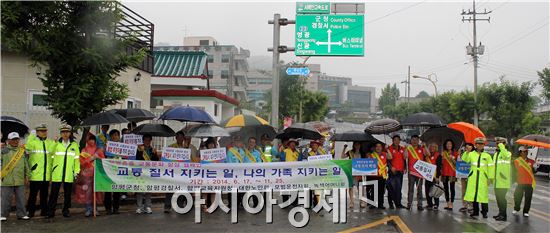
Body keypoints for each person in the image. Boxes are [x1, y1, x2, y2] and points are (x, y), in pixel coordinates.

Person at [48, 124, 80, 218]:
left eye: (67, 132)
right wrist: (54, 142)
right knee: (54, 194)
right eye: (63, 132)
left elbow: (76, 160)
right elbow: (50, 153)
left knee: (67, 194)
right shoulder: (56, 144)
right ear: (61, 133)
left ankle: (66, 210)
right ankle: (51, 211)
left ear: (70, 133)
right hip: (57, 173)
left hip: (68, 173)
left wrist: (76, 171)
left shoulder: (74, 145)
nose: (65, 134)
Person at [25, 123, 56, 218]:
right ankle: (30, 211)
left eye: (45, 131)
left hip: (46, 174)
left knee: (44, 194)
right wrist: (31, 136)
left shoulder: (50, 142)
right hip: (35, 174)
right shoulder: (33, 142)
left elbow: (53, 152)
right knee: (33, 195)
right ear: (37, 132)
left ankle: (44, 211)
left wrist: (55, 142)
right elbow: (28, 148)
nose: (44, 133)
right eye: (41, 131)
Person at [1, 132, 30, 221]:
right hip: (6, 179)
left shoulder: (22, 151)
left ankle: (22, 214)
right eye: (13, 139)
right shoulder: (3, 151)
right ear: (9, 140)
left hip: (20, 178)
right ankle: (3, 215)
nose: (15, 141)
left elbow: (26, 165)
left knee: (21, 198)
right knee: (5, 199)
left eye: (17, 139)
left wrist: (28, 176)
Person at [463, 137, 494, 219]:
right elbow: (465, 159)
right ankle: (475, 212)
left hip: (483, 178)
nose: (480, 145)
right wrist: (467, 152)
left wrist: (490, 178)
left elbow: (491, 167)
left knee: (483, 195)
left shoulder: (487, 156)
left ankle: (484, 212)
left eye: (482, 144)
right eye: (478, 144)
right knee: (474, 195)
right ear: (475, 145)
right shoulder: (471, 154)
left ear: (484, 145)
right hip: (473, 177)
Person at [75, 134, 105, 217]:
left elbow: (103, 161)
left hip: (97, 174)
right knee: (87, 192)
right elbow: (81, 162)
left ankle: (95, 208)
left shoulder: (99, 150)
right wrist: (91, 159)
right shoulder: (84, 150)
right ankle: (88, 209)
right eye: (90, 139)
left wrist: (98, 158)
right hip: (86, 174)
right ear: (87, 141)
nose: (92, 141)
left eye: (93, 139)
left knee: (96, 191)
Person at [136, 134, 159, 214]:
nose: (147, 142)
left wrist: (155, 154)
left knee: (148, 189)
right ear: (143, 141)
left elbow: (156, 162)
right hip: (141, 171)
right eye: (146, 140)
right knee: (140, 189)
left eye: (149, 140)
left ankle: (147, 206)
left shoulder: (153, 150)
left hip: (149, 172)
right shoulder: (139, 149)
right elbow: (136, 160)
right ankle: (139, 207)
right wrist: (141, 152)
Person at [405, 135, 429, 211]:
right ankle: (409, 204)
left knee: (419, 189)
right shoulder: (409, 148)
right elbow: (405, 156)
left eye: (416, 140)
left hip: (420, 172)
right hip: (411, 172)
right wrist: (405, 149)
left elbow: (427, 154)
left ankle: (420, 204)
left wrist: (425, 147)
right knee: (410, 189)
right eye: (413, 139)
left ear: (418, 141)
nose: (415, 141)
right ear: (411, 140)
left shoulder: (421, 148)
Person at [493, 137, 512, 221]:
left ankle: (504, 215)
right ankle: (500, 213)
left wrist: (501, 146)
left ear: (505, 144)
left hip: (503, 181)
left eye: (501, 143)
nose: (498, 145)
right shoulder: (496, 154)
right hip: (496, 181)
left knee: (502, 198)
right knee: (498, 198)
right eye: (497, 143)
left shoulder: (507, 153)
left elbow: (504, 155)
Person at [513, 146, 535, 217]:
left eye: (527, 151)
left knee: (528, 198)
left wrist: (534, 168)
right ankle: (516, 208)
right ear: (520, 152)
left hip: (529, 182)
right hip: (520, 182)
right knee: (517, 196)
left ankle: (526, 211)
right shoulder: (517, 161)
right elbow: (514, 171)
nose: (526, 153)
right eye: (524, 151)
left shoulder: (532, 161)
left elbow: (534, 172)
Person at [341, 141, 365, 208]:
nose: (357, 146)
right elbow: (342, 156)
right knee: (350, 187)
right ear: (354, 145)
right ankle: (351, 202)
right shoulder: (350, 152)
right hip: (351, 172)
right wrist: (344, 148)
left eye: (358, 144)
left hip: (360, 173)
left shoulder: (363, 153)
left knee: (360, 187)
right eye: (356, 144)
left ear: (360, 145)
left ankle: (362, 201)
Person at [104, 129, 122, 215]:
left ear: (119, 136)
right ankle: (108, 208)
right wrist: (104, 148)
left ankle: (116, 208)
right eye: (113, 135)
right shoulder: (107, 146)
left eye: (116, 135)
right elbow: (103, 156)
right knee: (108, 189)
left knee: (117, 190)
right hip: (108, 170)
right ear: (110, 137)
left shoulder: (123, 147)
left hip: (118, 171)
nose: (115, 137)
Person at [368, 142, 390, 209]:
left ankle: (380, 204)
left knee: (381, 191)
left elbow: (391, 157)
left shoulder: (385, 154)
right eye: (377, 146)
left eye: (380, 146)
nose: (378, 148)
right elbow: (368, 164)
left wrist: (387, 149)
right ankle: (373, 204)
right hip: (373, 175)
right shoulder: (371, 155)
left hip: (382, 175)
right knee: (373, 190)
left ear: (382, 148)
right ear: (375, 148)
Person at [387, 135, 406, 209]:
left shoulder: (402, 148)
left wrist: (405, 167)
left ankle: (398, 203)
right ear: (392, 141)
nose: (396, 141)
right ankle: (390, 203)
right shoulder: (389, 148)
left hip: (400, 171)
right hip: (392, 171)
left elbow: (404, 159)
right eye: (395, 140)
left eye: (398, 140)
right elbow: (388, 160)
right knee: (391, 188)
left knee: (399, 188)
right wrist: (391, 167)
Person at [440, 139, 459, 211]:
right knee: (446, 188)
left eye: (450, 144)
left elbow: (458, 164)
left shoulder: (455, 153)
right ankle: (447, 202)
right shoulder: (443, 153)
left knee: (452, 188)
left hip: (452, 172)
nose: (449, 145)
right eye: (447, 144)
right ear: (445, 145)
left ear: (452, 145)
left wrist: (453, 159)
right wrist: (441, 157)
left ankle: (451, 203)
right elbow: (441, 164)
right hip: (444, 172)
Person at [424, 143, 442, 210]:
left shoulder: (438, 155)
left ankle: (436, 204)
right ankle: (429, 204)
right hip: (428, 175)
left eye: (434, 147)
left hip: (435, 176)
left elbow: (439, 167)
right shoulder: (427, 155)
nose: (432, 148)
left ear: (436, 148)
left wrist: (437, 177)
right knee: (427, 190)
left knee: (435, 190)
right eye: (431, 147)